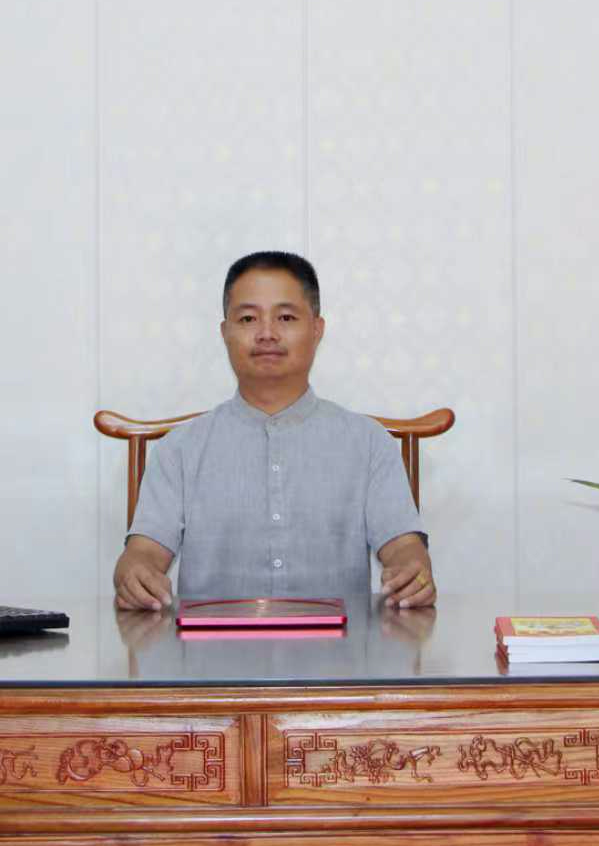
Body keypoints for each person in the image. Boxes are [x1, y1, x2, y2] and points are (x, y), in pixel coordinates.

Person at [112, 251, 435, 611]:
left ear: (317, 329)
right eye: (248, 318)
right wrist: (134, 573)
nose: (267, 334)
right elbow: (143, 553)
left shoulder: (369, 443)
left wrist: (412, 568)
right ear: (225, 333)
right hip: (209, 645)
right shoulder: (179, 450)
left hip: (341, 646)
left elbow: (404, 547)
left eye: (286, 317)